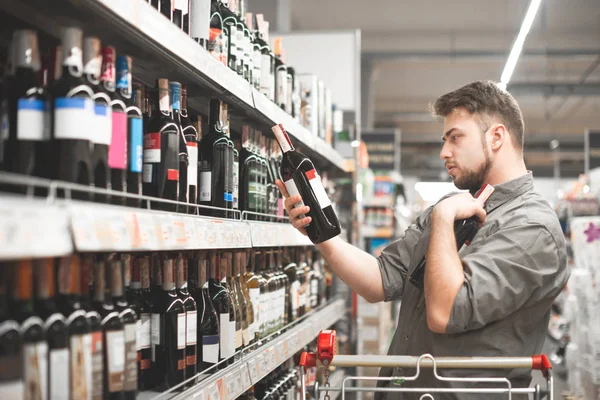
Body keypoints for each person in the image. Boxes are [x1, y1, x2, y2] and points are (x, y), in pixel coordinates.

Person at [275, 80, 569, 399]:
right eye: (445, 140)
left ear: (497, 137)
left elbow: (445, 312)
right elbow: (381, 280)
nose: (444, 152)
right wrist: (320, 233)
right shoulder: (454, 207)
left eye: (455, 138)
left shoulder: (532, 227)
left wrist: (443, 219)